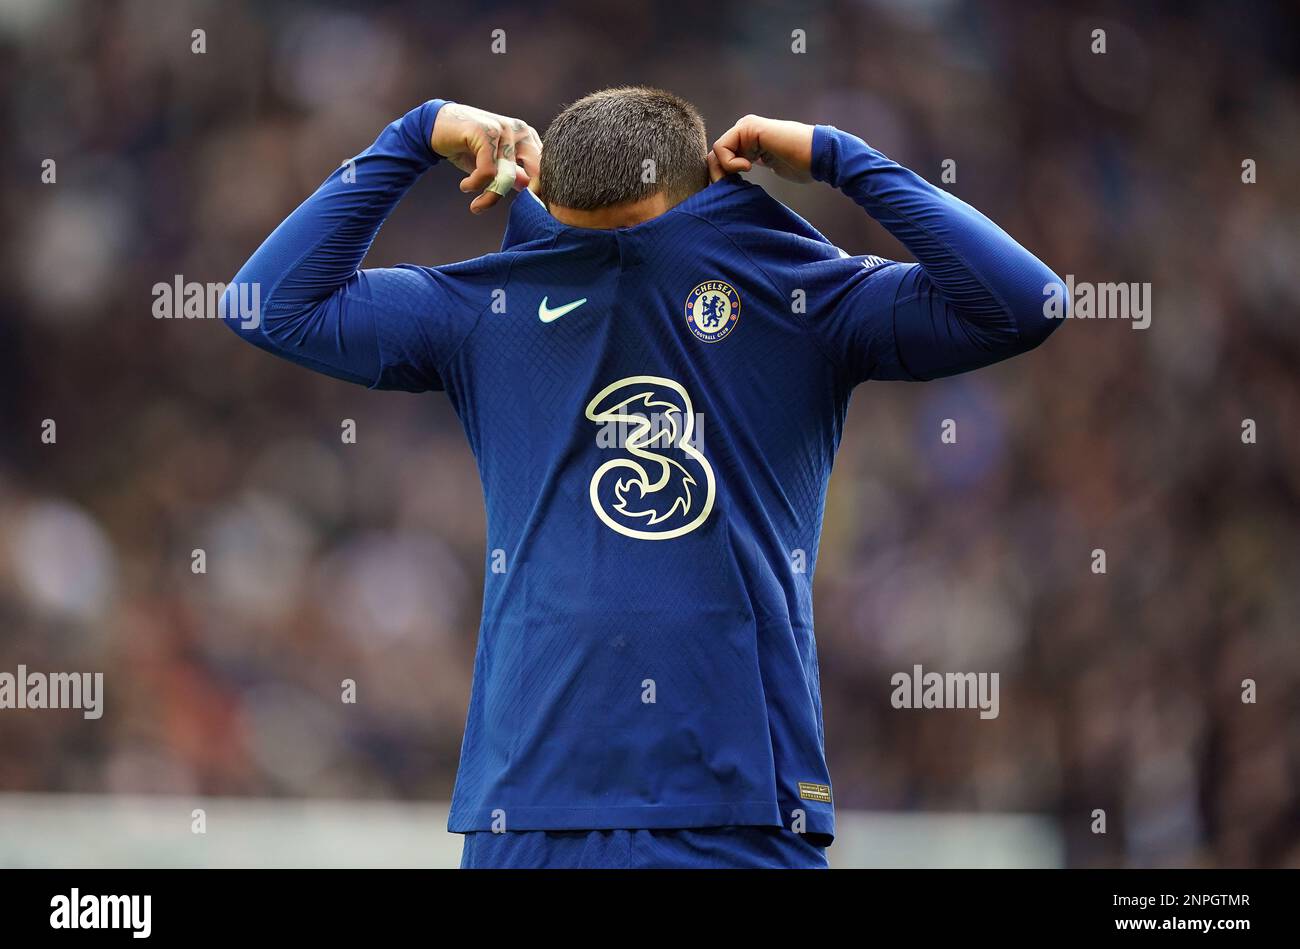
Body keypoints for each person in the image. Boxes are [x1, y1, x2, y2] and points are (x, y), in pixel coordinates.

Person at [223, 86, 1067, 868]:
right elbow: (266, 304)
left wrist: (839, 158)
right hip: (531, 808)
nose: (613, 261)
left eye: (635, 233)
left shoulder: (802, 300)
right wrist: (417, 133)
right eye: (584, 238)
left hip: (742, 807)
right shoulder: (487, 307)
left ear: (703, 191)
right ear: (546, 204)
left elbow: (1027, 303)